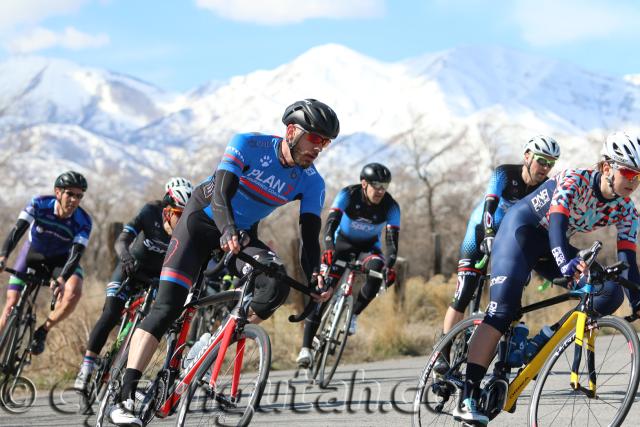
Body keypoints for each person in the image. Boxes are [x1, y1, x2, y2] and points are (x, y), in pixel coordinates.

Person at [108, 99, 340, 426]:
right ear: (291, 131)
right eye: (315, 139)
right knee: (167, 307)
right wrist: (228, 228)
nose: (319, 148)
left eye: (325, 143)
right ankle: (125, 396)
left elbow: (309, 234)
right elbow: (220, 193)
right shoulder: (248, 144)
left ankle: (207, 345)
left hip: (238, 235)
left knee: (274, 284)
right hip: (200, 223)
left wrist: (315, 276)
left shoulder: (312, 181)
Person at [454, 131, 640, 426]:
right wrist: (565, 262)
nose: (633, 181)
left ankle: (541, 341)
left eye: (638, 176)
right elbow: (556, 224)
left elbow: (629, 257)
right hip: (520, 233)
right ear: (606, 168)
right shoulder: (574, 180)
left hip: (551, 245)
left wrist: (637, 300)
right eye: (628, 172)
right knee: (501, 311)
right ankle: (467, 396)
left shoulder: (627, 209)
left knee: (610, 293)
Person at [435, 136, 560, 373]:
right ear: (527, 156)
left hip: (509, 243)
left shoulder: (546, 188)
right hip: (481, 232)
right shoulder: (504, 173)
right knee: (464, 293)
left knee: (511, 301)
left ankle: (501, 356)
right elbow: (489, 206)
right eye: (541, 161)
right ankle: (443, 351)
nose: (545, 168)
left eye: (550, 164)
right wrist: (490, 233)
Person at [73, 177, 193, 391]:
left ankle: (128, 369)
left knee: (153, 321)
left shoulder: (185, 227)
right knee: (111, 313)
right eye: (177, 214)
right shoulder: (150, 212)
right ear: (167, 209)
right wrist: (126, 257)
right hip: (131, 269)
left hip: (157, 278)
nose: (181, 219)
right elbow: (122, 239)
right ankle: (87, 366)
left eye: (185, 215)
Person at [296, 162, 401, 367]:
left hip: (369, 249)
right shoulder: (348, 194)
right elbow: (330, 224)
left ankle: (353, 314)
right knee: (323, 292)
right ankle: (306, 347)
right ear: (364, 183)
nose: (380, 190)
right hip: (341, 245)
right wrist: (328, 248)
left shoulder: (391, 206)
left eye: (384, 186)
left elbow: (391, 242)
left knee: (378, 270)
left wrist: (390, 264)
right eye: (376, 185)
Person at [0, 171, 92, 356]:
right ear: (58, 192)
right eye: (70, 194)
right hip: (33, 255)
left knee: (74, 291)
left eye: (79, 196)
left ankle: (43, 330)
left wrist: (62, 279)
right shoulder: (39, 204)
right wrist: (3, 256)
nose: (74, 200)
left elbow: (76, 254)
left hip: (61, 260)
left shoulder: (83, 221)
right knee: (11, 304)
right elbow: (17, 230)